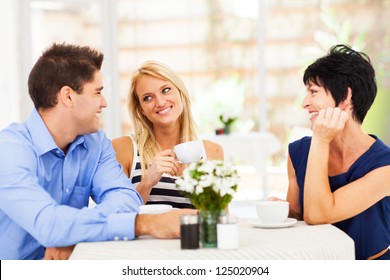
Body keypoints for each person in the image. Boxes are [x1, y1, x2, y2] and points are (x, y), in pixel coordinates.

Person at [0, 43, 195, 260]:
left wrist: (72, 234)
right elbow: (48, 224)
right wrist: (144, 223)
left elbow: (126, 197)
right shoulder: (9, 150)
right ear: (68, 96)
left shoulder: (97, 143)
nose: (104, 103)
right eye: (97, 93)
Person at [286, 44, 390, 260]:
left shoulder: (385, 166)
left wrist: (322, 139)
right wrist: (285, 212)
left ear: (345, 98)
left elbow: (318, 214)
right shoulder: (298, 152)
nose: (305, 103)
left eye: (313, 92)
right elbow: (299, 217)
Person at [112, 61, 224, 208]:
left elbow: (220, 219)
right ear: (141, 109)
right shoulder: (123, 149)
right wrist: (147, 182)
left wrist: (209, 187)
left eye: (165, 90)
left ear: (180, 91)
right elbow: (116, 214)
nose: (160, 102)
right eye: (148, 98)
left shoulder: (212, 151)